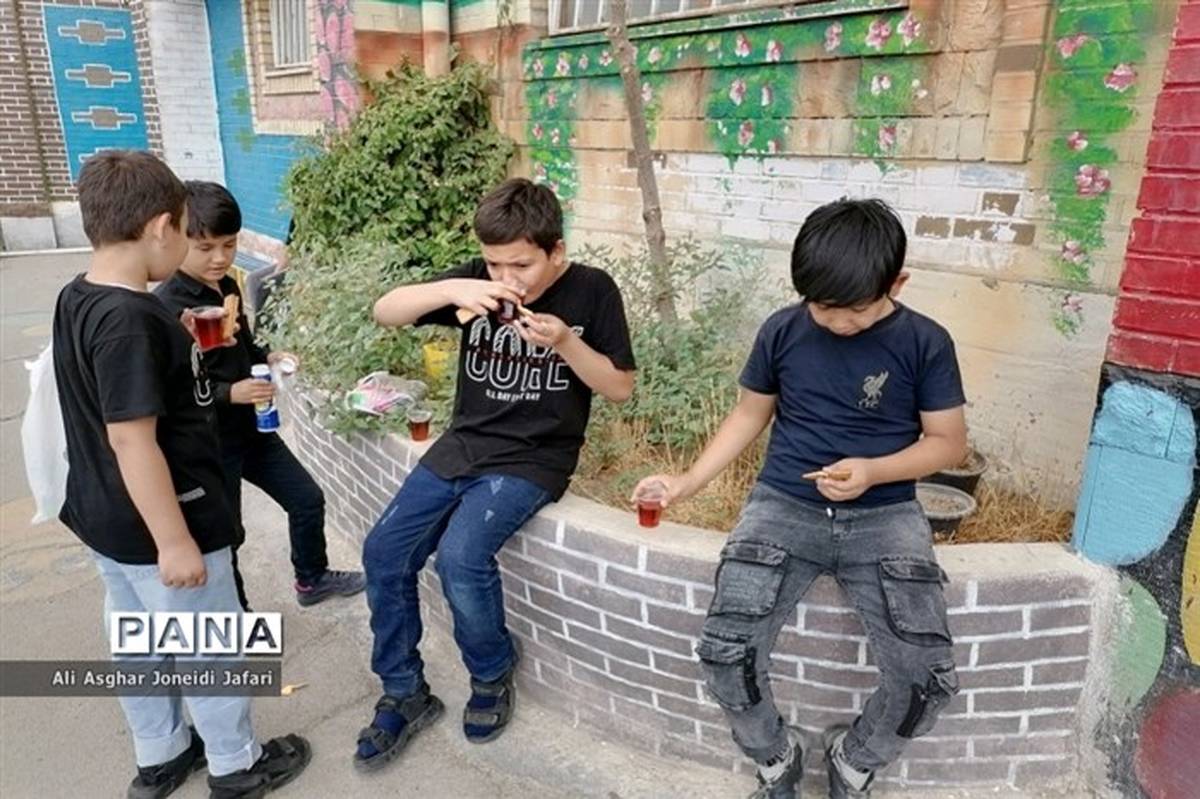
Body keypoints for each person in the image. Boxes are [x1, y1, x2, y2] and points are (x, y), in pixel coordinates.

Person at [632, 199, 968, 799]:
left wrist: (874, 471)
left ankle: (855, 760)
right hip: (783, 504)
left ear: (897, 284)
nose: (836, 322)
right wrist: (686, 482)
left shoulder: (926, 342)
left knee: (927, 680)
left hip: (886, 515)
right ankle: (775, 757)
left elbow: (948, 443)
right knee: (725, 654)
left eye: (855, 309)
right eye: (821, 306)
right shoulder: (783, 330)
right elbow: (748, 415)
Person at [354, 178, 636, 770]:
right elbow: (385, 312)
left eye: (521, 265)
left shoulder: (592, 290)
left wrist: (565, 342)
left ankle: (490, 671)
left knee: (461, 558)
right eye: (493, 263)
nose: (508, 277)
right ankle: (404, 691)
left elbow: (619, 387)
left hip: (535, 456)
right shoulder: (478, 283)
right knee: (384, 552)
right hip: (464, 444)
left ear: (556, 251)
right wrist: (455, 287)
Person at [52, 150, 310, 799]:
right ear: (162, 226)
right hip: (167, 519)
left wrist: (187, 338)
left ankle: (162, 754)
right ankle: (235, 764)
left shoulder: (79, 296)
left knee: (138, 640)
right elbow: (132, 437)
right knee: (207, 645)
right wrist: (174, 541)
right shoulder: (131, 322)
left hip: (105, 516)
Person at [154, 181, 365, 611]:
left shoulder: (228, 286)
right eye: (205, 247)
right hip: (210, 444)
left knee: (307, 499)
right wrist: (229, 393)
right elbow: (169, 391)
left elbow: (245, 344)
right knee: (227, 536)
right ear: (177, 238)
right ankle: (238, 615)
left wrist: (268, 356)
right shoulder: (167, 307)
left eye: (229, 245)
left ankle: (312, 578)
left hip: (253, 431)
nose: (220, 257)